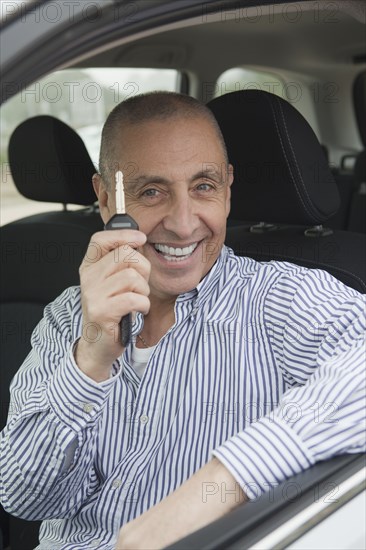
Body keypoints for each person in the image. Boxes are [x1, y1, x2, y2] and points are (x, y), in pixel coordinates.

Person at [0, 91, 365, 550]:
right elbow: (25, 498)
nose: (184, 222)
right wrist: (89, 358)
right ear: (105, 199)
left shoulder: (279, 299)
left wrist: (220, 484)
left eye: (203, 186)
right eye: (151, 191)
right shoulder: (65, 318)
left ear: (228, 188)